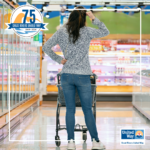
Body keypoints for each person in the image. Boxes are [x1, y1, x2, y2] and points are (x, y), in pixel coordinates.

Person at [42, 6, 109, 150]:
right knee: (87, 110)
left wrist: (59, 60)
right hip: (83, 76)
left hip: (66, 76)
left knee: (70, 109)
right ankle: (96, 141)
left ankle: (71, 142)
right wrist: (93, 18)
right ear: (84, 19)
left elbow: (46, 47)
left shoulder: (61, 31)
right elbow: (105, 31)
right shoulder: (87, 31)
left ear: (70, 18)